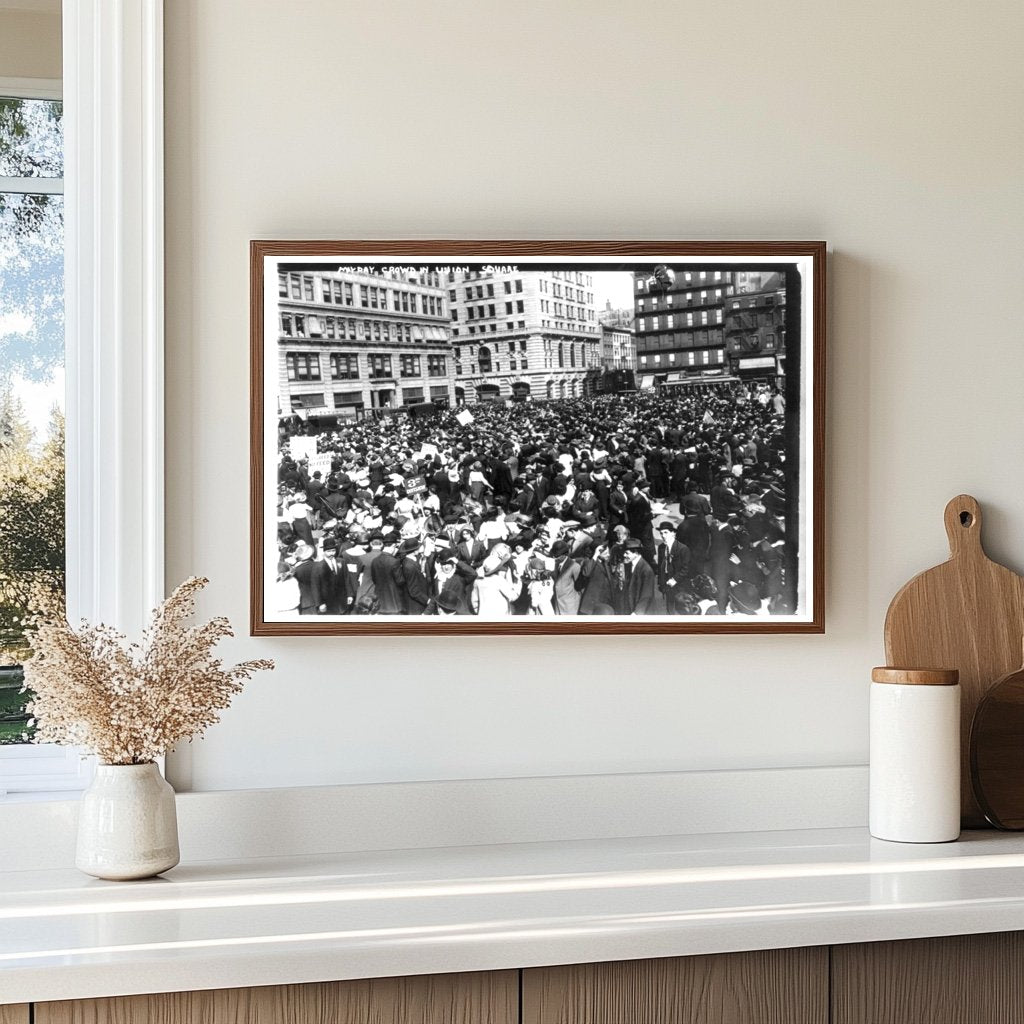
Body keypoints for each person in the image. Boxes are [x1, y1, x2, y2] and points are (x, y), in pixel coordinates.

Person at [656, 521, 691, 614]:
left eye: (666, 532)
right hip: (667, 583)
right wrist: (660, 582)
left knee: (680, 609)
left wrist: (675, 579)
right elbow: (660, 566)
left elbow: (686, 569)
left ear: (673, 533)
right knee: (670, 608)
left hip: (679, 584)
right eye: (661, 533)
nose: (663, 536)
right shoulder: (661, 548)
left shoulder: (682, 549)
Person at [621, 539, 656, 615]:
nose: (624, 555)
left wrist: (636, 613)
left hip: (641, 613)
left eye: (627, 553)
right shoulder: (630, 565)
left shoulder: (646, 570)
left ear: (636, 553)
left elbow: (646, 595)